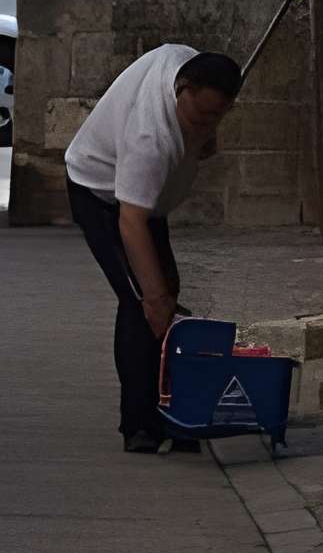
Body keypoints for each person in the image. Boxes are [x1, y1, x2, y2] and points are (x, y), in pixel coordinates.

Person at [64, 45, 242, 455]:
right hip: (102, 195)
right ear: (182, 89)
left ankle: (175, 415)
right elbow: (131, 222)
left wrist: (204, 131)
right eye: (200, 116)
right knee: (142, 301)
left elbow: (147, 209)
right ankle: (139, 426)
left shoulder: (189, 65)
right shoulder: (150, 136)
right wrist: (156, 299)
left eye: (218, 116)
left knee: (166, 295)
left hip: (147, 202)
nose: (205, 126)